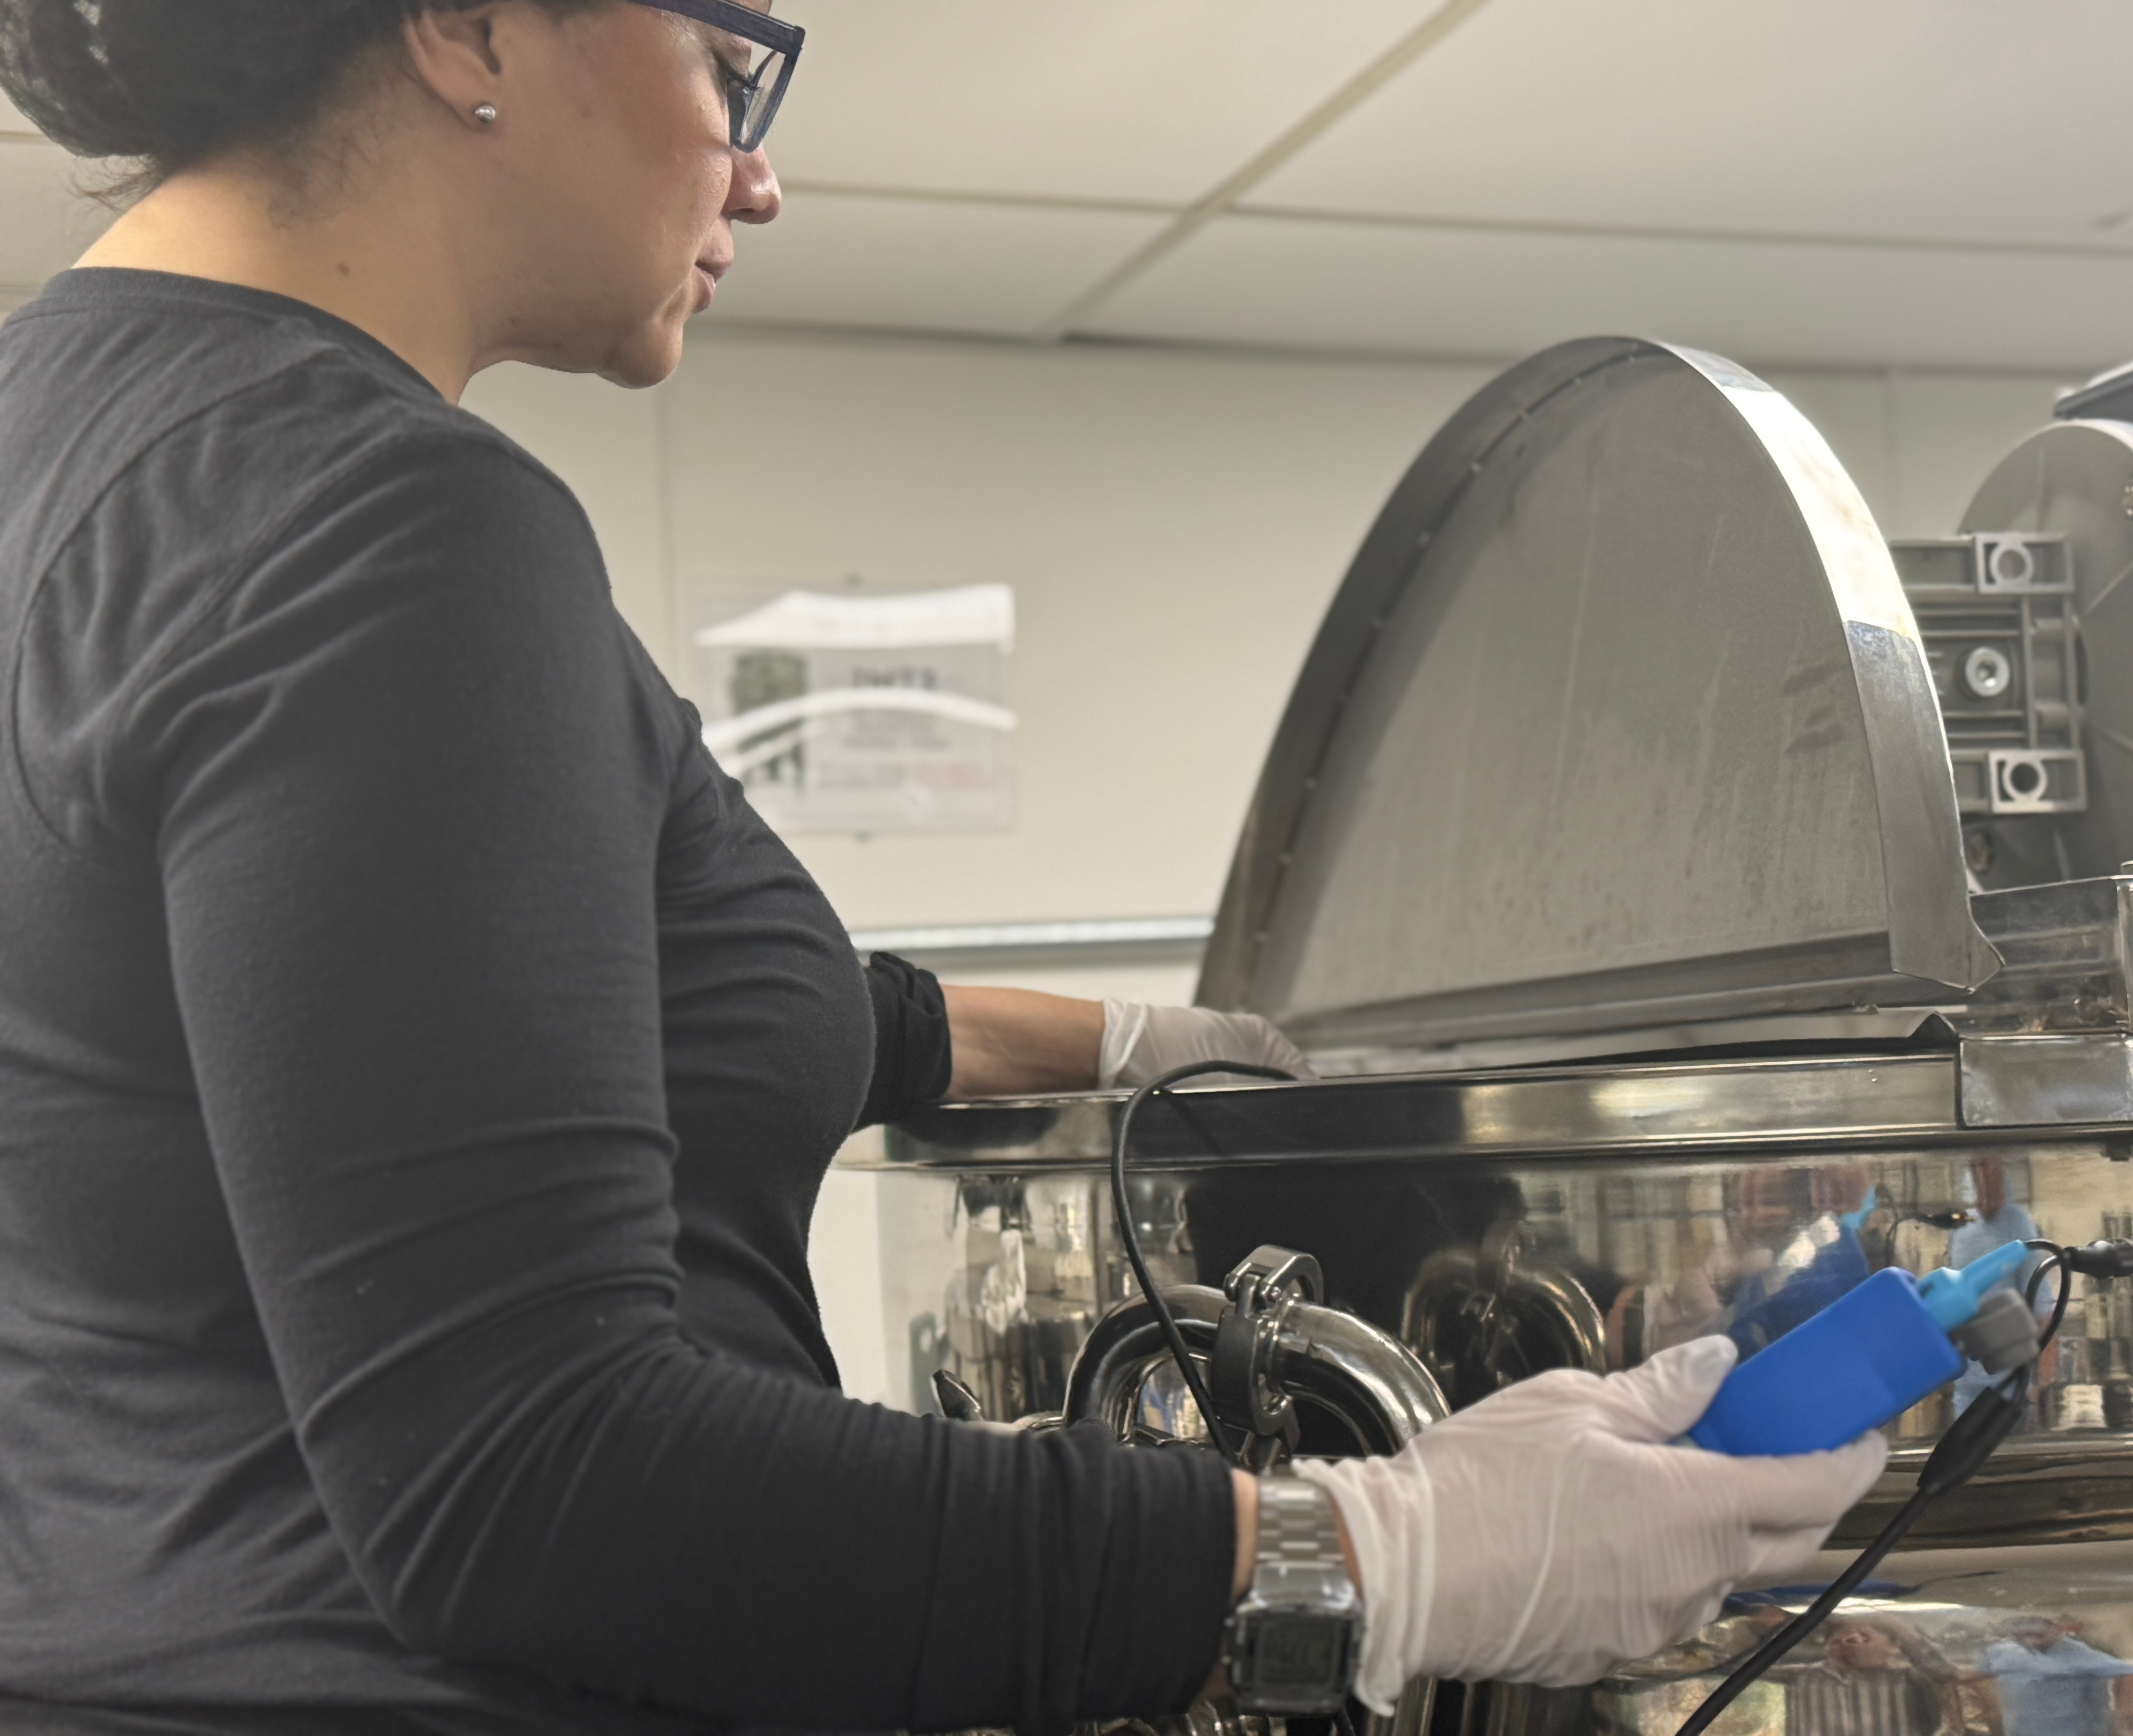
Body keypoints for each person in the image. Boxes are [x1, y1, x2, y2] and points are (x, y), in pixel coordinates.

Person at [0, 2, 1889, 1730]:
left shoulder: (71, 455)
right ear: (471, 25)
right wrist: (1377, 1557)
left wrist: (1126, 1041)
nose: (758, 173)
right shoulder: (384, 524)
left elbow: (425, 1038)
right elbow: (539, 1481)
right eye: (729, 64)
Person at [1777, 1616, 1983, 1736]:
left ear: (1894, 1645)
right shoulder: (1803, 1675)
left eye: (1864, 1637)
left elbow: (1949, 1674)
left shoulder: (1907, 1678)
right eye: (1840, 1637)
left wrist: (1902, 1632)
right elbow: (1756, 1660)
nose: (1850, 1643)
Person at [1983, 1616, 2133, 1736]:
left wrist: (2124, 1720)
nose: (2031, 1642)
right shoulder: (2005, 1653)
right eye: (2023, 1636)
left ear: (2058, 1630)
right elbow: (1978, 1672)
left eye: (2038, 1635)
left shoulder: (2075, 1653)